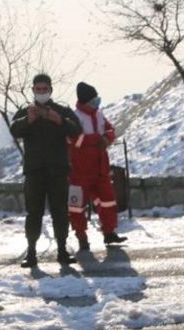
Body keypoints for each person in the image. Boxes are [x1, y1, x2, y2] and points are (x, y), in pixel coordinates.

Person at [10, 73, 83, 268]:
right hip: (34, 172)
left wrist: (60, 121)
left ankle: (62, 250)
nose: (41, 92)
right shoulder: (26, 112)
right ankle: (31, 252)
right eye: (38, 89)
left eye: (44, 89)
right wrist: (28, 120)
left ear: (50, 90)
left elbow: (77, 131)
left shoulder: (62, 111)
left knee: (60, 212)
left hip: (58, 171)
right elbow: (14, 131)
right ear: (33, 90)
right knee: (33, 213)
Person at [68, 82, 127, 251]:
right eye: (94, 99)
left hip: (101, 168)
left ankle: (109, 232)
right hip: (79, 171)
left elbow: (110, 130)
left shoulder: (99, 114)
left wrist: (108, 137)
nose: (97, 102)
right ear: (85, 100)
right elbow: (75, 139)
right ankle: (81, 236)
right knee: (77, 205)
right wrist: (96, 139)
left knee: (108, 201)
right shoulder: (74, 117)